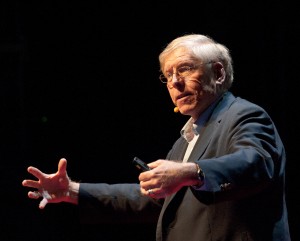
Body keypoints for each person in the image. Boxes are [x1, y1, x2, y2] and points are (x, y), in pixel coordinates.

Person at [22, 33, 291, 241]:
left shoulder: (244, 115)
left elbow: (256, 164)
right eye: (168, 76)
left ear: (218, 73)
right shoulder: (187, 139)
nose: (174, 83)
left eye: (184, 69)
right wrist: (73, 191)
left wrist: (190, 171)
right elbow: (155, 200)